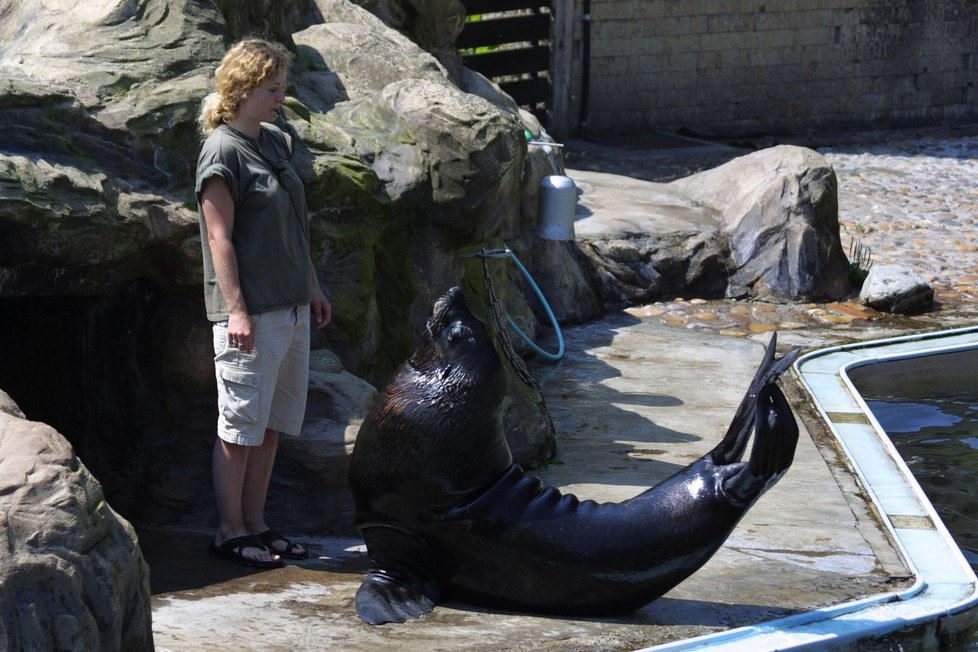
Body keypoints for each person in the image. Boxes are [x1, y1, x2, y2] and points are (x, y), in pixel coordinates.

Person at [195, 38, 331, 568]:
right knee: (239, 427)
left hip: (292, 306)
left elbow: (295, 226)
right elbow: (218, 238)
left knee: (270, 425)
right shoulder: (221, 151)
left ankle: (258, 523)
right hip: (250, 314)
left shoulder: (275, 141)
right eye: (273, 89)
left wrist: (313, 287)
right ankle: (229, 531)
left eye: (282, 88)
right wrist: (235, 310)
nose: (281, 97)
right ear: (244, 88)